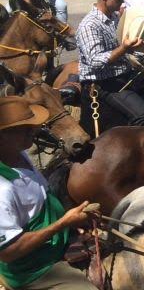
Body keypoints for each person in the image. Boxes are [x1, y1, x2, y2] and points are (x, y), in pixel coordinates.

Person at [0, 97, 98, 290]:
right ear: (2, 137)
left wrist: (71, 224)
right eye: (24, 128)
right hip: (35, 269)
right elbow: (8, 251)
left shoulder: (20, 155)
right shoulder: (3, 188)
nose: (34, 130)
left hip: (58, 241)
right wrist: (63, 223)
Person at [75, 0, 144, 132]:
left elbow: (123, 47)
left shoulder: (114, 18)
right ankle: (132, 149)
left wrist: (141, 48)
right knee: (142, 114)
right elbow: (95, 61)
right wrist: (125, 48)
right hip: (104, 84)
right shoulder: (89, 25)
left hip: (124, 76)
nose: (123, 2)